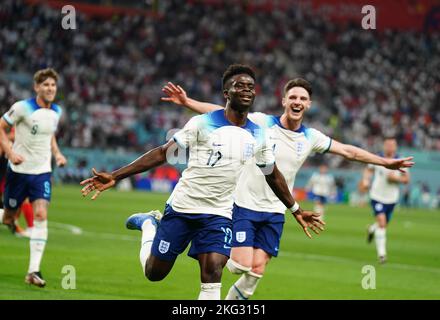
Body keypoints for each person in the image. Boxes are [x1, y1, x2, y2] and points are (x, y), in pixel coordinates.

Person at [80, 65, 324, 300]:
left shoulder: (259, 134)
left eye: (251, 86)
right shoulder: (203, 123)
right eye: (240, 86)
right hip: (183, 208)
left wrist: (296, 210)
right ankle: (148, 225)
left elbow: (272, 174)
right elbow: (163, 153)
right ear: (227, 94)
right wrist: (115, 175)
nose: (248, 90)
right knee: (154, 274)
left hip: (219, 214)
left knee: (213, 271)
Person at [160, 79, 414, 300]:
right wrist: (187, 102)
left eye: (303, 98)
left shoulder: (311, 137)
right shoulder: (261, 123)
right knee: (240, 266)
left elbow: (348, 151)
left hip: (275, 213)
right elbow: (221, 111)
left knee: (257, 271)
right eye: (293, 96)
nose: (297, 101)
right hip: (243, 206)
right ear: (284, 101)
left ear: (309, 104)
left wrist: (385, 162)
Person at [0, 68, 67, 287]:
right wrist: (10, 152)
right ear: (36, 87)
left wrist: (57, 154)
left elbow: (50, 136)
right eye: (45, 85)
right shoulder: (22, 108)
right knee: (9, 218)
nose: (50, 89)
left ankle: (33, 271)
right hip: (18, 172)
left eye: (53, 85)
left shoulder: (56, 111)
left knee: (40, 214)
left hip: (41, 173)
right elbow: (1, 127)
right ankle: (7, 216)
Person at [361, 137, 410, 264]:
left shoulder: (400, 160)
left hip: (392, 199)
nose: (389, 147)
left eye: (392, 145)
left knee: (382, 225)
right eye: (387, 144)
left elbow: (406, 179)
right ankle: (382, 255)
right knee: (382, 223)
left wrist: (396, 179)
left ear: (396, 146)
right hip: (377, 196)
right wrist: (366, 181)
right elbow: (368, 170)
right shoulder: (377, 158)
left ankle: (372, 229)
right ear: (384, 146)